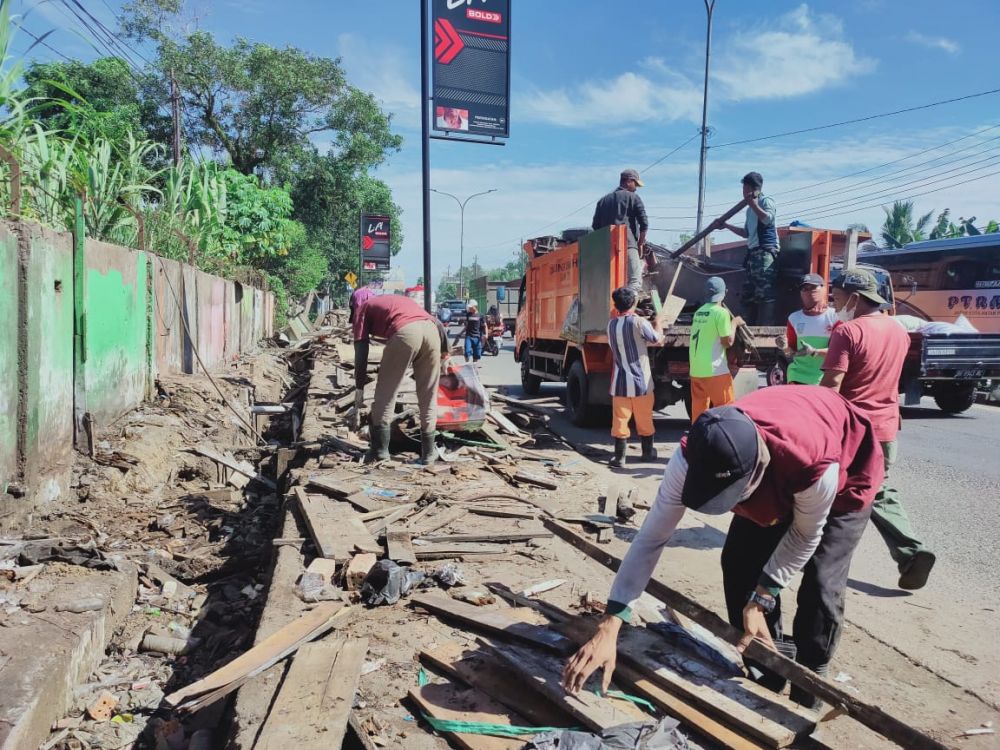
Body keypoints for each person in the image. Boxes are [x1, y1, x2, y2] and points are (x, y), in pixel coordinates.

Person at [562, 386, 885, 708]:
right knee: (738, 563)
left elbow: (804, 536)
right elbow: (651, 538)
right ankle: (767, 667)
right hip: (779, 467)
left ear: (756, 469)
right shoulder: (693, 455)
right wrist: (611, 622)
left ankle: (811, 681)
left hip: (847, 473)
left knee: (820, 585)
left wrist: (763, 597)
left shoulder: (813, 464)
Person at [820, 269, 936, 590]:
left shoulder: (848, 331)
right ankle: (911, 552)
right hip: (886, 430)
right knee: (876, 490)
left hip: (854, 432)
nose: (836, 302)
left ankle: (818, 563)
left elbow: (831, 384)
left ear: (855, 298)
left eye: (839, 296)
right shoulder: (898, 331)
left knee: (827, 489)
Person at [353, 294, 450, 465]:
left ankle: (380, 451)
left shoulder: (362, 308)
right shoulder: (396, 302)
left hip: (406, 332)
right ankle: (428, 454)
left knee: (386, 393)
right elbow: (436, 322)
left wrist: (359, 388)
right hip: (432, 331)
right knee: (428, 396)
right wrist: (444, 353)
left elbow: (361, 353)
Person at [607, 286, 665, 468]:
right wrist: (659, 323)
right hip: (641, 383)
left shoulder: (611, 325)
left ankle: (619, 458)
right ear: (633, 303)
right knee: (644, 418)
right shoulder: (639, 322)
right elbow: (657, 339)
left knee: (620, 420)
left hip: (620, 383)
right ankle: (647, 453)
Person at [714, 172, 779, 324]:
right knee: (748, 294)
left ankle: (765, 329)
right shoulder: (750, 209)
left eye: (744, 189)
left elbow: (768, 219)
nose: (743, 193)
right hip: (753, 254)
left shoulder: (765, 201)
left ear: (751, 188)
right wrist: (726, 226)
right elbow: (747, 233)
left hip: (765, 252)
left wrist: (753, 204)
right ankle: (745, 328)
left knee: (764, 293)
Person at [688, 277, 741, 423]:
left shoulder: (699, 312)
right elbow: (727, 341)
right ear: (724, 293)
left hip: (696, 370)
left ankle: (697, 441)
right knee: (726, 411)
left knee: (699, 412)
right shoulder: (721, 312)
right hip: (715, 370)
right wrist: (735, 323)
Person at [592, 169, 649, 293]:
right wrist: (639, 244)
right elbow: (644, 224)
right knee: (634, 282)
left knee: (609, 284)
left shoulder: (602, 201)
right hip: (627, 245)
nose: (636, 188)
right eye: (635, 184)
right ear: (629, 181)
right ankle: (626, 310)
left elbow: (595, 226)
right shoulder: (633, 197)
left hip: (605, 249)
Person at [784, 273, 838, 385]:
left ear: (824, 289)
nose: (809, 292)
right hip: (797, 376)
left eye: (813, 287)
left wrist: (814, 351)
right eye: (804, 288)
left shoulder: (835, 317)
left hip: (823, 378)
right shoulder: (794, 318)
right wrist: (784, 347)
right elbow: (792, 352)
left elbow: (839, 352)